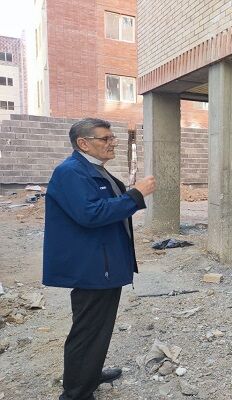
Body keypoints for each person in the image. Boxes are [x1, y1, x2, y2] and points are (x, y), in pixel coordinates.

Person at [43, 118, 156, 400]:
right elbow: (91, 214)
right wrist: (136, 195)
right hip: (92, 266)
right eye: (105, 139)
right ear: (83, 143)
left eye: (112, 138)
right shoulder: (70, 172)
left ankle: (88, 374)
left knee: (97, 328)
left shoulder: (92, 169)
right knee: (88, 330)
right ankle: (77, 393)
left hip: (103, 263)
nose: (112, 143)